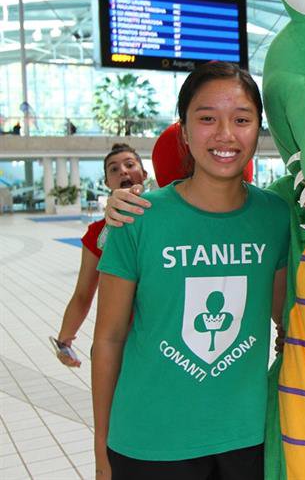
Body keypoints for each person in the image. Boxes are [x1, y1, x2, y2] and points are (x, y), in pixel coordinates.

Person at [92, 62, 290, 479]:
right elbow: (108, 339)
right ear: (183, 130)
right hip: (149, 442)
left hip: (248, 439)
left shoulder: (276, 216)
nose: (225, 134)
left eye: (241, 119)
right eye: (206, 118)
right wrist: (101, 452)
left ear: (259, 129)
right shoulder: (137, 218)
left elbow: (286, 324)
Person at [54, 143, 147, 367]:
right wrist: (64, 342)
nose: (123, 171)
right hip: (117, 343)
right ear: (107, 183)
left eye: (129, 164)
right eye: (113, 169)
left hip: (162, 340)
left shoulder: (166, 219)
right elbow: (83, 294)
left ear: (144, 174)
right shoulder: (98, 233)